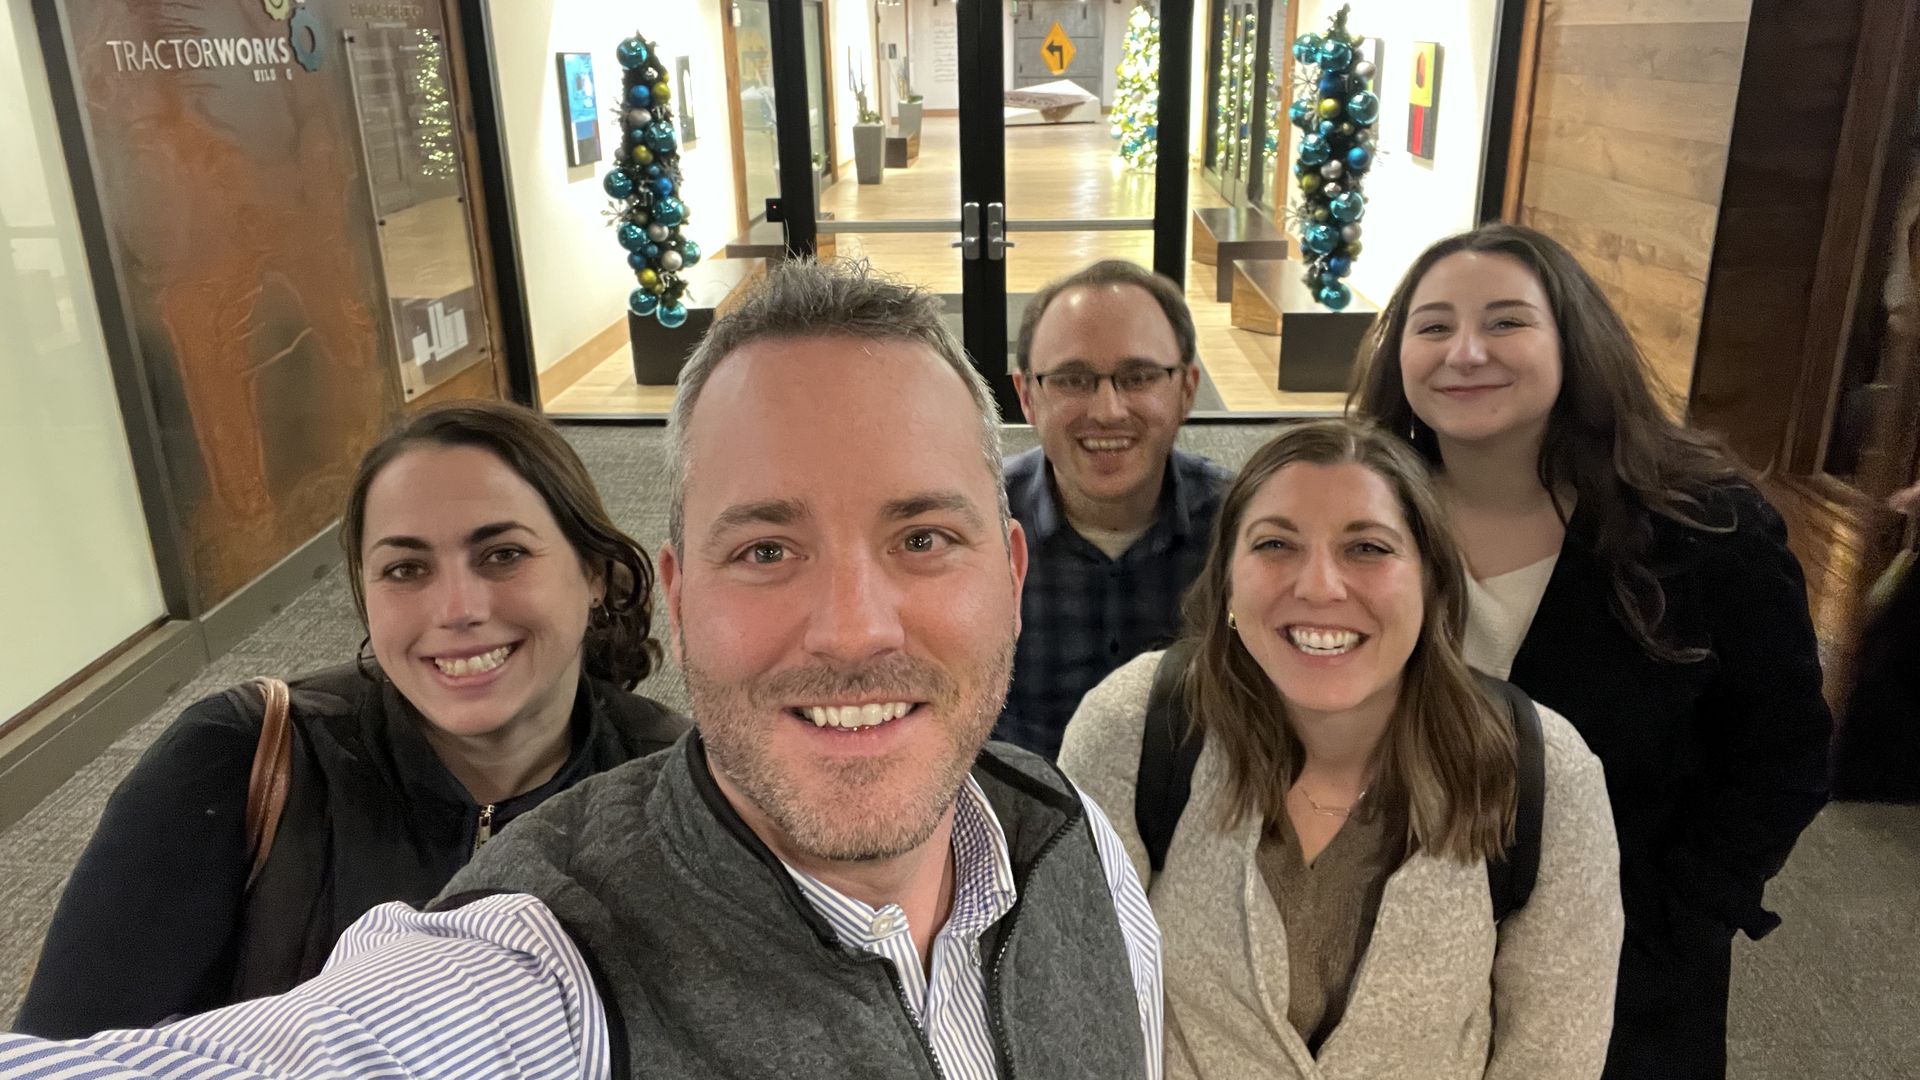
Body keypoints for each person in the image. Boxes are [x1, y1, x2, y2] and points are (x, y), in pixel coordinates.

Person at [0, 260, 1163, 1080]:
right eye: (765, 549)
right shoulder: (546, 966)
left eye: (922, 538)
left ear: (1009, 569)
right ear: (679, 588)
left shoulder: (1079, 845)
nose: (853, 628)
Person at [14, 401, 689, 1038]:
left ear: (594, 573)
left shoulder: (680, 794)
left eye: (503, 554)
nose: (456, 608)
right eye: (405, 568)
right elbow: (72, 1059)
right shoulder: (240, 758)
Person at [1348, 222, 1832, 1080]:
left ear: (1572, 341)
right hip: (1391, 940)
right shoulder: (1356, 521)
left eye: (1505, 322)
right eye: (1431, 326)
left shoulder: (1706, 530)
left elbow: (1783, 753)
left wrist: (1684, 910)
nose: (1465, 351)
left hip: (1628, 957)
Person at [1060, 418, 1622, 1079]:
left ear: (1433, 583)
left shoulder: (1544, 770)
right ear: (1229, 587)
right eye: (1275, 544)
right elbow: (1077, 1010)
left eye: (1368, 549)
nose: (1320, 586)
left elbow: (1553, 1056)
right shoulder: (1134, 727)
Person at [999, 259, 1232, 759]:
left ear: (1187, 390)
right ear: (1027, 397)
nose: (1107, 411)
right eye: (1072, 380)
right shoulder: (974, 528)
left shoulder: (1244, 530)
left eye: (1139, 376)